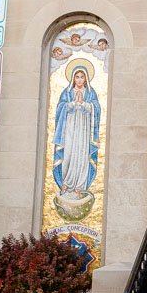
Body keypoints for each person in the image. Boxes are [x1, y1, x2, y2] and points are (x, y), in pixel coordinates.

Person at [52, 60, 101, 196]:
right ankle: (66, 183)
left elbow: (96, 108)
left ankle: (80, 185)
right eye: (77, 77)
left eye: (82, 77)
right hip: (69, 128)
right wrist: (72, 104)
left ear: (86, 79)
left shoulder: (90, 93)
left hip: (84, 129)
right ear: (73, 78)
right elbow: (60, 108)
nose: (79, 79)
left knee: (82, 154)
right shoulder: (67, 92)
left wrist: (85, 104)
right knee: (68, 154)